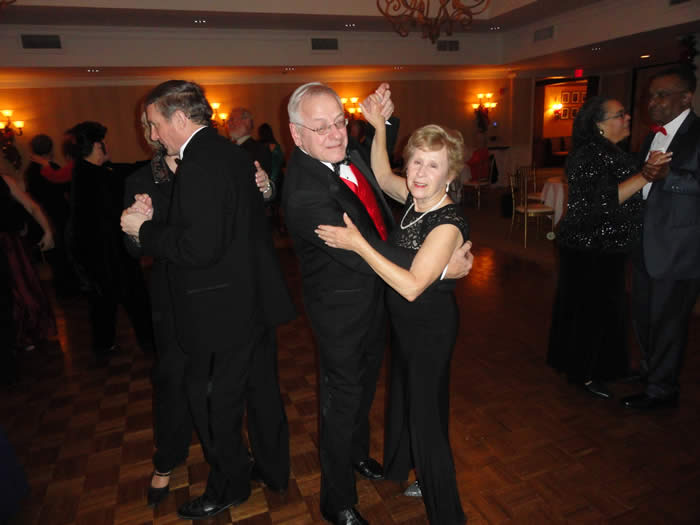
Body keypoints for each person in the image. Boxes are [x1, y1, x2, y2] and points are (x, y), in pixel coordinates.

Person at [282, 81, 472, 525]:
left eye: (339, 122)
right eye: (321, 127)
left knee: (364, 392)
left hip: (381, 306)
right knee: (341, 403)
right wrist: (440, 269)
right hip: (343, 316)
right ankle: (337, 501)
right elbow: (361, 250)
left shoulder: (346, 153)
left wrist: (381, 123)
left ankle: (356, 454)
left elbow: (382, 174)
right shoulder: (306, 193)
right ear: (296, 134)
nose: (336, 134)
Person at [120, 80, 295, 519]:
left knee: (213, 401)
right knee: (255, 391)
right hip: (250, 299)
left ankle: (229, 486)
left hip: (218, 310)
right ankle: (272, 472)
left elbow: (199, 248)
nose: (153, 134)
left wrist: (143, 229)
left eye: (156, 124)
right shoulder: (232, 153)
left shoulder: (198, 163)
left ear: (180, 118)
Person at [546, 96, 672, 400]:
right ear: (599, 125)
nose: (628, 118)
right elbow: (602, 201)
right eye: (620, 114)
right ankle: (585, 372)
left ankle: (608, 367)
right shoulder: (587, 154)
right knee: (591, 311)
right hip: (588, 246)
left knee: (609, 310)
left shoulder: (611, 151)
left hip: (608, 245)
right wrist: (645, 175)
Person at [122, 113, 192, 507]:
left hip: (218, 291)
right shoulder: (140, 180)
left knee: (220, 376)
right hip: (171, 293)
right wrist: (140, 225)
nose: (154, 132)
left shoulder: (209, 168)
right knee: (171, 378)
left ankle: (228, 448)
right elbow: (133, 248)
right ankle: (166, 459)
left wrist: (265, 188)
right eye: (150, 126)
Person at [623, 66, 700, 410]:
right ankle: (649, 371)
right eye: (650, 96)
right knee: (643, 315)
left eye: (662, 95)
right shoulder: (651, 137)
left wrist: (670, 176)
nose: (652, 102)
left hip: (678, 249)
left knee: (668, 323)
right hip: (645, 243)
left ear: (686, 98)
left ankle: (662, 392)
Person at [65, 121, 153, 360]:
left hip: (101, 254)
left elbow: (126, 169)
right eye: (103, 142)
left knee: (106, 301)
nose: (107, 146)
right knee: (131, 296)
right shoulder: (95, 177)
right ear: (97, 146)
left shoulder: (87, 172)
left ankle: (105, 346)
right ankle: (146, 342)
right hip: (108, 253)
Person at [0, 172, 55, 366]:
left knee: (21, 290)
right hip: (9, 246)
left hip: (9, 247)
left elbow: (32, 206)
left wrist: (48, 231)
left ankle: (23, 336)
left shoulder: (4, 179)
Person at [24, 134, 78, 297]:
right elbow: (67, 189)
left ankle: (62, 289)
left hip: (43, 216)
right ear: (51, 149)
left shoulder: (30, 171)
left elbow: (32, 197)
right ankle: (71, 287)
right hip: (60, 214)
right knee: (66, 252)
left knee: (55, 256)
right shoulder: (53, 167)